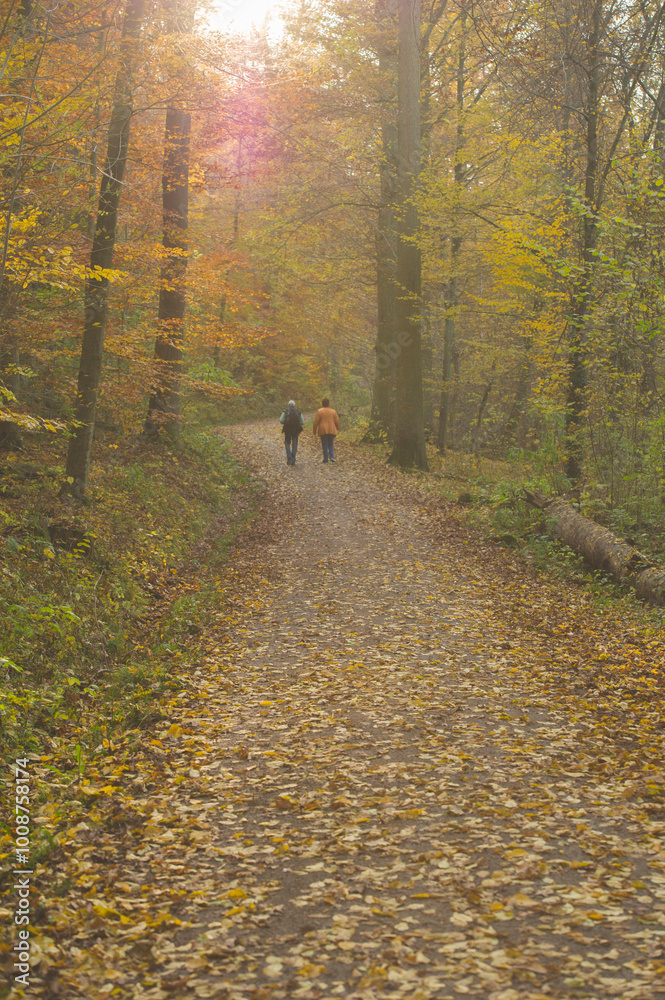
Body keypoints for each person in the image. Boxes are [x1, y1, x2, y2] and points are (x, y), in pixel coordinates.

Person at [313, 397, 339, 463]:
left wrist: (314, 430)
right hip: (331, 429)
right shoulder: (333, 411)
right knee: (331, 443)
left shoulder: (319, 411)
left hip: (323, 430)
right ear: (328, 404)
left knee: (324, 444)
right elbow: (336, 421)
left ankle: (325, 459)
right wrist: (337, 428)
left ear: (322, 404)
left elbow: (316, 422)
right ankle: (332, 456)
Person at [280, 400, 304, 465]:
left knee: (287, 443)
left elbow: (281, 420)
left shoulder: (285, 411)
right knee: (294, 444)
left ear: (288, 405)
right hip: (295, 431)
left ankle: (289, 455)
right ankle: (293, 460)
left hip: (287, 430)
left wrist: (286, 421)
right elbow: (302, 422)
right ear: (294, 405)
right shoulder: (298, 412)